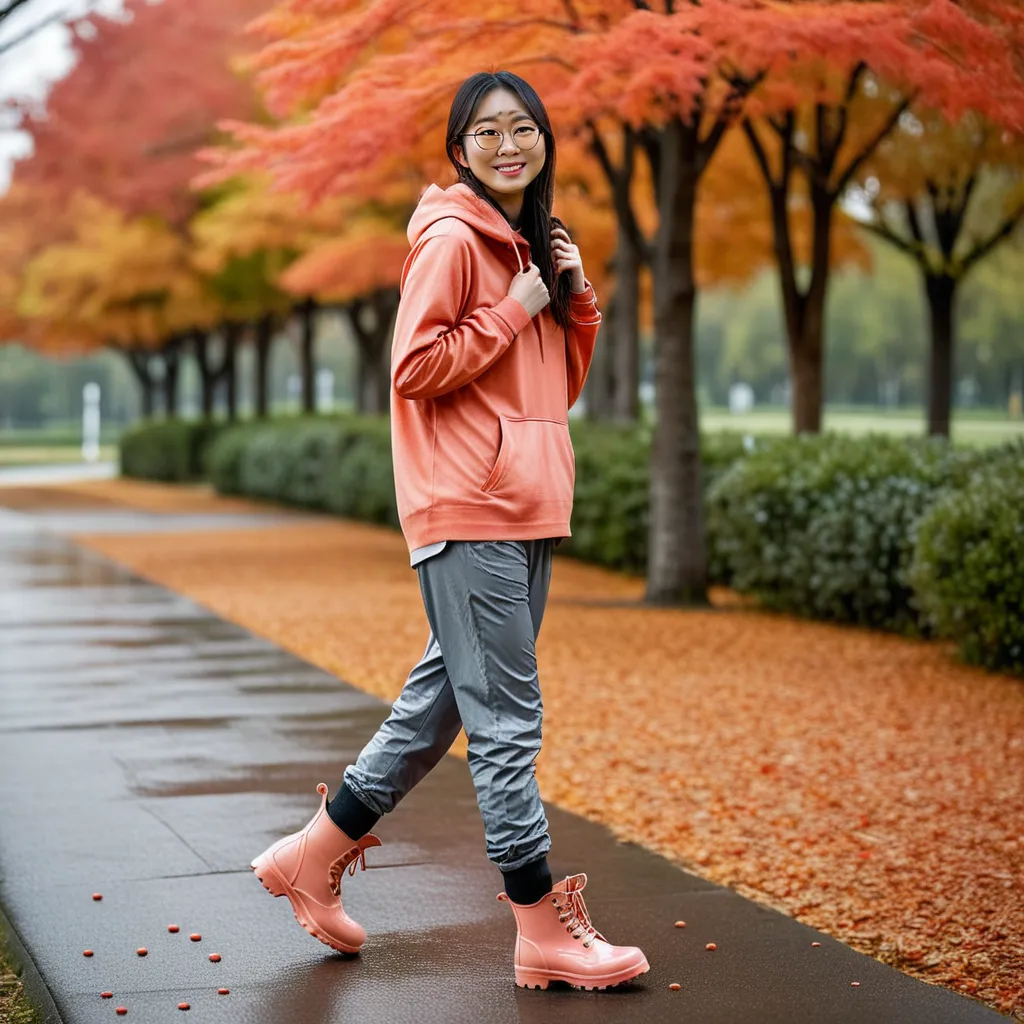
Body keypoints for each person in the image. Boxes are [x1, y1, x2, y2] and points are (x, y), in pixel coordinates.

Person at [251, 69, 650, 992]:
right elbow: (416, 366)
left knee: (441, 711)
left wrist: (571, 296)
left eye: (524, 129)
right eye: (487, 133)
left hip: (524, 501)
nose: (509, 145)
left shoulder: (528, 244)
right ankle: (541, 925)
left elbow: (552, 390)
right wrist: (513, 306)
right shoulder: (452, 240)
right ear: (458, 150)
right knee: (508, 725)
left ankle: (311, 859)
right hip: (472, 508)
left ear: (544, 140)